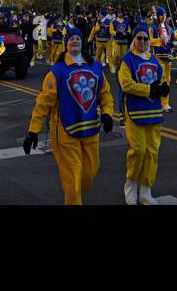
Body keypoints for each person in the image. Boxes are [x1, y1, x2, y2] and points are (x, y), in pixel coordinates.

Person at [23, 25, 114, 205]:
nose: (75, 41)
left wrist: (107, 114)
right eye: (71, 39)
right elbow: (43, 104)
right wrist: (33, 130)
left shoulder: (95, 66)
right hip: (65, 131)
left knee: (89, 173)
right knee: (72, 181)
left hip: (90, 130)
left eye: (78, 38)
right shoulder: (57, 71)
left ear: (82, 42)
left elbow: (105, 94)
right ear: (66, 44)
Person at [118, 22, 170, 204]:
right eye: (139, 38)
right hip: (135, 112)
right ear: (134, 39)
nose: (142, 41)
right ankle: (131, 184)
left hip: (153, 112)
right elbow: (126, 84)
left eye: (145, 38)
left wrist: (163, 89)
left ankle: (146, 190)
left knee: (152, 152)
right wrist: (150, 90)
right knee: (138, 150)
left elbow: (162, 78)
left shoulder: (154, 59)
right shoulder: (127, 60)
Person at [149, 7, 175, 114]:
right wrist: (159, 40)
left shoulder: (169, 28)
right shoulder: (153, 28)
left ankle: (165, 103)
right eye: (161, 15)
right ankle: (160, 103)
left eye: (164, 15)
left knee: (167, 81)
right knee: (162, 79)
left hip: (168, 57)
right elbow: (149, 41)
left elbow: (175, 36)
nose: (163, 17)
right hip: (158, 57)